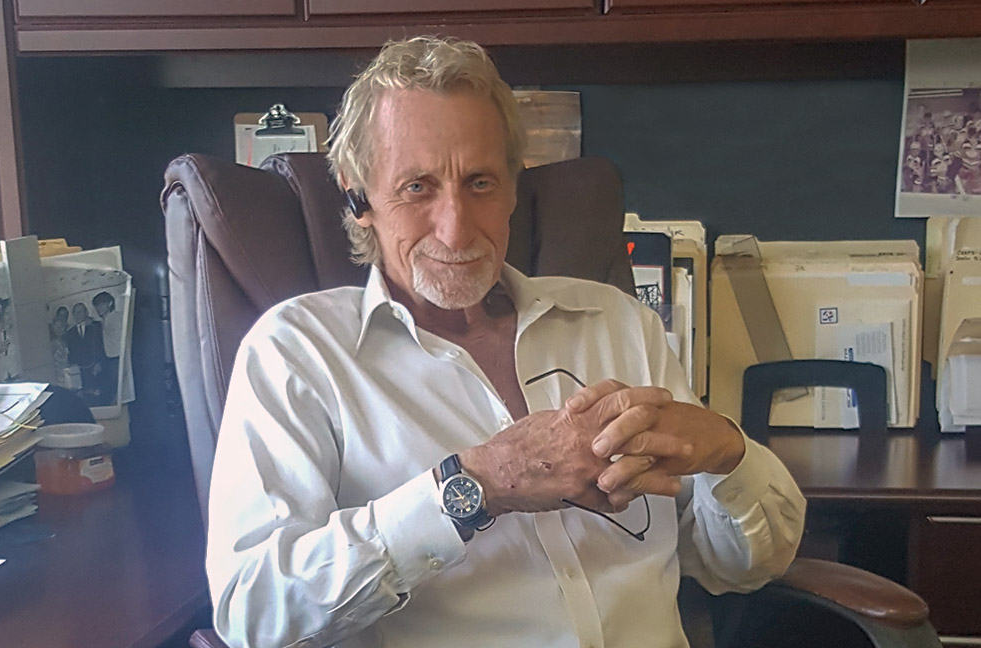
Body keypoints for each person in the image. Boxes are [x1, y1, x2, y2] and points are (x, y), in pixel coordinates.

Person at [206, 36, 805, 648]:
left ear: (514, 186)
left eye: (480, 182)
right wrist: (476, 484)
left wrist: (727, 453)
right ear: (358, 194)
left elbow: (743, 567)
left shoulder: (620, 324)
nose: (456, 226)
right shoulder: (296, 354)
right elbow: (253, 610)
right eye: (418, 187)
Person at [65, 302, 103, 404]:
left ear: (86, 313)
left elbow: (100, 345)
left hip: (95, 365)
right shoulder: (70, 332)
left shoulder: (96, 326)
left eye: (80, 312)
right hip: (79, 369)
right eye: (75, 312)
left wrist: (99, 362)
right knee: (84, 396)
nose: (78, 315)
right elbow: (71, 351)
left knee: (98, 394)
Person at [92, 290, 121, 405]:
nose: (99, 308)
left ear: (109, 304)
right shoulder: (104, 321)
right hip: (109, 358)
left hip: (117, 357)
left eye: (101, 304)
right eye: (97, 306)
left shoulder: (117, 317)